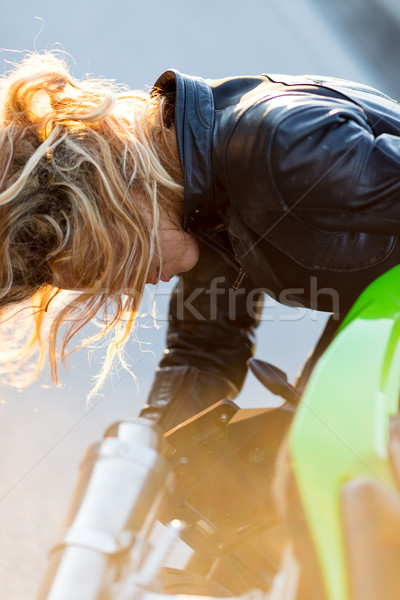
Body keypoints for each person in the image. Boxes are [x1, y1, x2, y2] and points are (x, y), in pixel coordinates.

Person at [1, 53, 400, 420]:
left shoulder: (278, 149)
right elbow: (205, 349)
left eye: (104, 265)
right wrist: (155, 443)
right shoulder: (202, 201)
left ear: (113, 199)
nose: (123, 288)